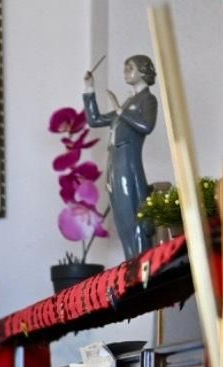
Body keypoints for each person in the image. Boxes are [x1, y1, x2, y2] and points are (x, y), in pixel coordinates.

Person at [83, 55, 158, 259]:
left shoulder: (147, 100)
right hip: (115, 161)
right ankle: (130, 262)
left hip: (127, 159)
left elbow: (146, 125)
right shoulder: (128, 102)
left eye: (130, 68)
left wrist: (119, 109)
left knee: (133, 213)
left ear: (142, 71)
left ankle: (141, 262)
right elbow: (95, 120)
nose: (125, 72)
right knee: (122, 216)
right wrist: (89, 89)